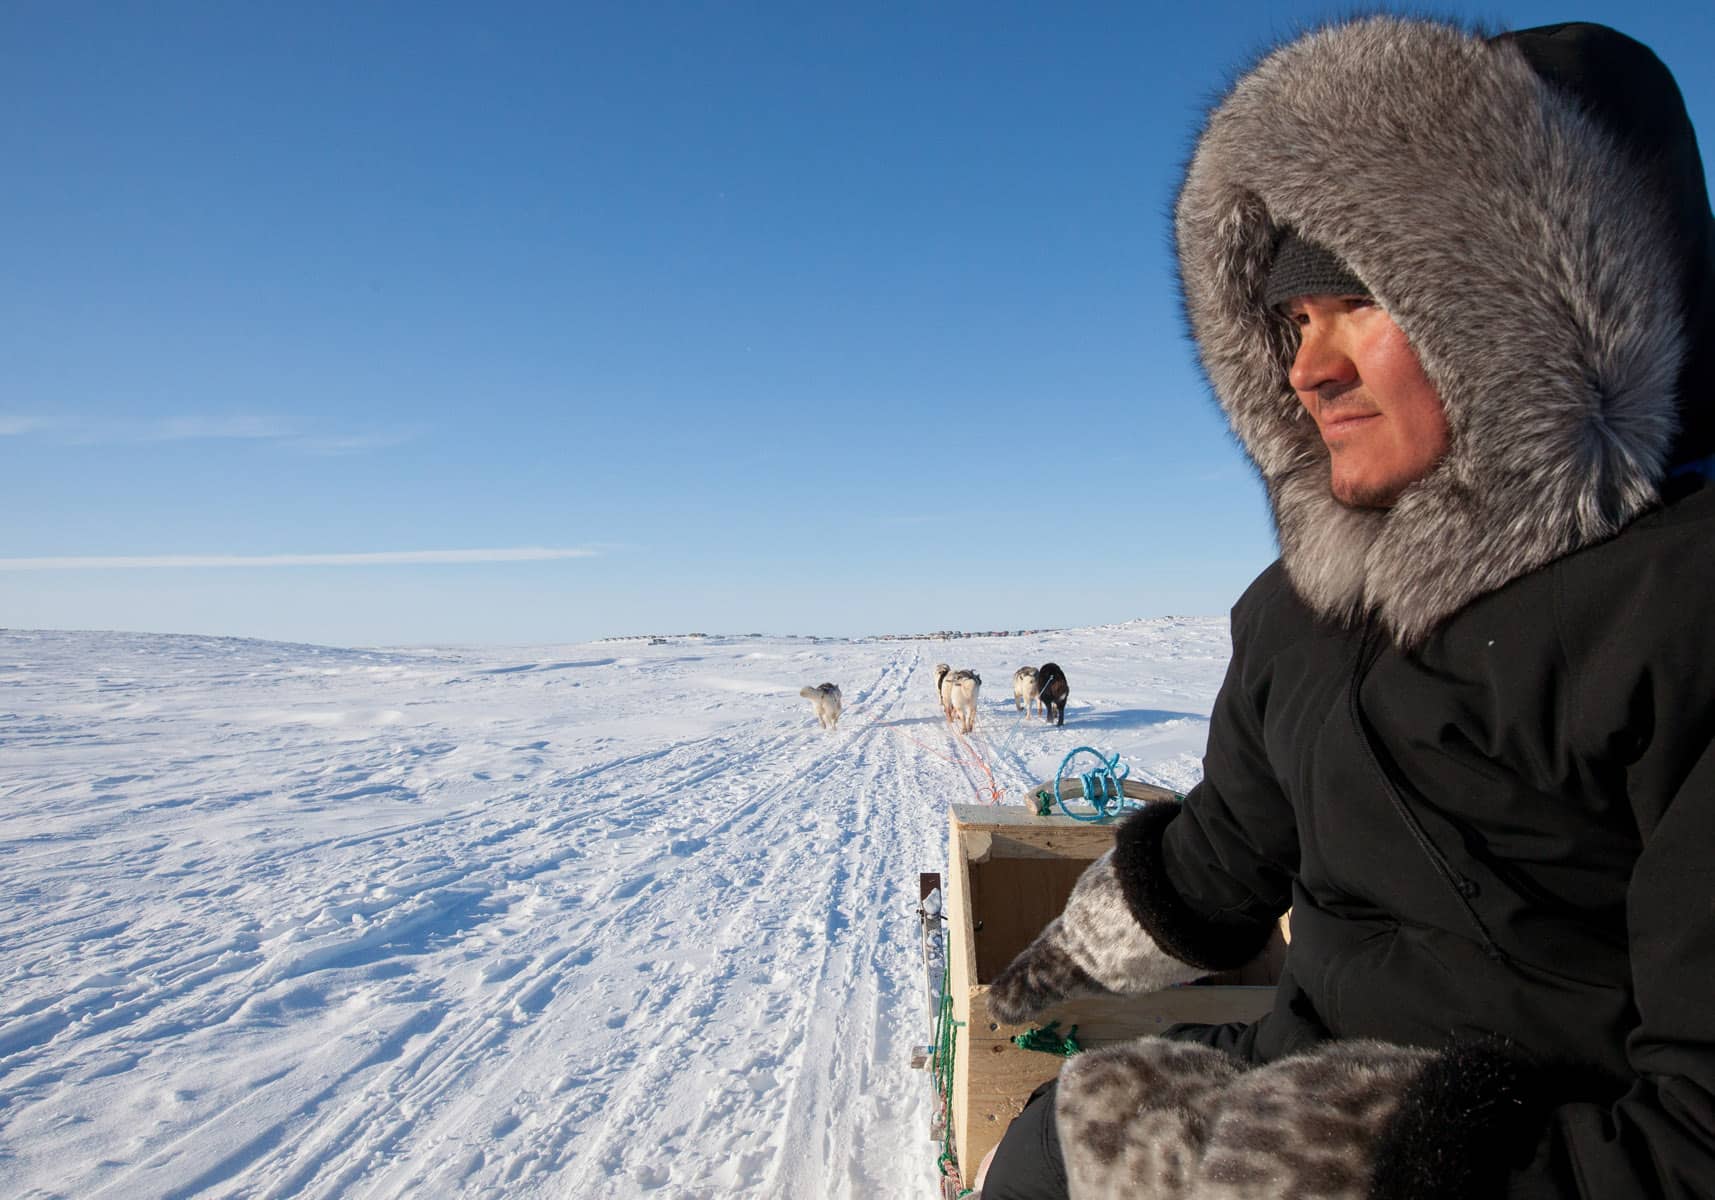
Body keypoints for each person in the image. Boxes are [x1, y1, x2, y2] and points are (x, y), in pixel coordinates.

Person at [977, 16, 1715, 1200]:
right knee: (1046, 1143)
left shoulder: (1675, 614)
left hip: (1516, 1153)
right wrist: (1050, 968)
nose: (1305, 368)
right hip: (1289, 1088)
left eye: (1354, 300)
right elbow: (1223, 855)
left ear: (1537, 309)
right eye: (1287, 320)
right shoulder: (1297, 614)